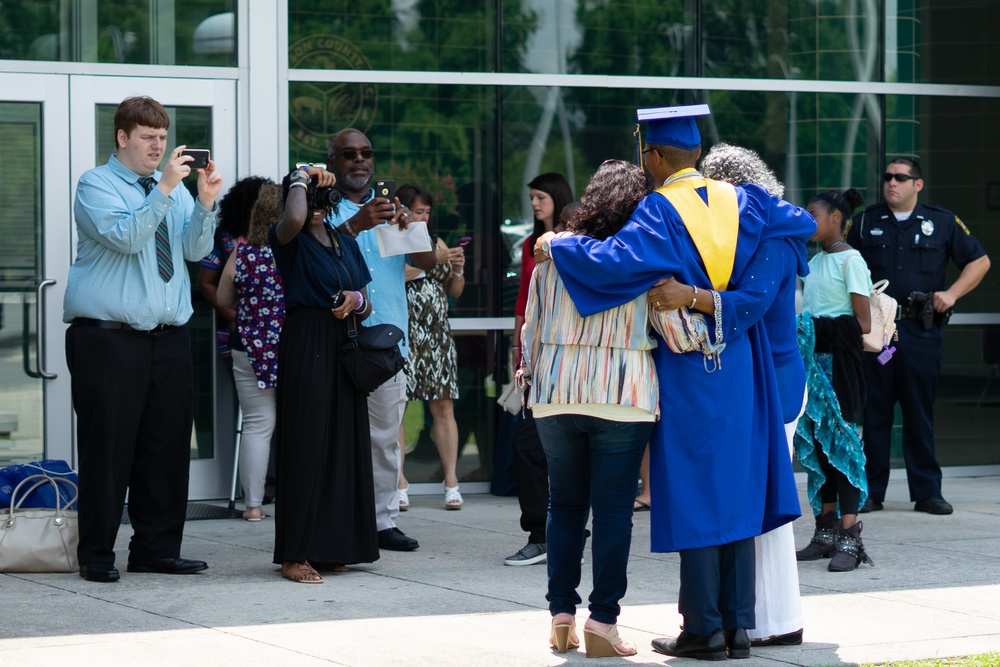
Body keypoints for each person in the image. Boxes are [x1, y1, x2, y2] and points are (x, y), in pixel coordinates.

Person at [535, 104, 813, 660]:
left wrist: (558, 243)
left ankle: (703, 628)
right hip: (740, 362)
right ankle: (737, 628)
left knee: (693, 493)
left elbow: (613, 262)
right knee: (735, 490)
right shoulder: (747, 200)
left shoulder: (660, 210)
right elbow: (803, 221)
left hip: (689, 363)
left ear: (656, 156)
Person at [64, 95, 222, 582]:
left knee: (166, 449)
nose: (159, 146)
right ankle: (95, 554)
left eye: (163, 137)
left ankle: (156, 549)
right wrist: (166, 191)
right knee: (108, 450)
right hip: (109, 340)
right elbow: (129, 237)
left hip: (169, 337)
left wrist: (205, 204)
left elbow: (196, 250)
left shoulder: (169, 188)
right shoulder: (96, 184)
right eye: (148, 138)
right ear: (122, 138)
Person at [521, 160, 658, 657]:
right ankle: (603, 621)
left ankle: (560, 615)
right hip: (624, 396)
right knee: (614, 512)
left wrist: (531, 372)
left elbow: (530, 328)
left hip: (557, 393)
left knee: (564, 506)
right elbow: (670, 331)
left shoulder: (551, 257)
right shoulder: (645, 260)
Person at [699, 142, 807, 645]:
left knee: (769, 506)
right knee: (760, 502)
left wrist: (694, 298)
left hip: (776, 380)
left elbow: (755, 302)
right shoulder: (772, 229)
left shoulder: (771, 235)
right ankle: (755, 619)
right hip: (769, 375)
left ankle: (773, 621)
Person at [847, 158, 990, 516]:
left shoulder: (940, 222)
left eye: (900, 178)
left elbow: (979, 261)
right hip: (877, 333)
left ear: (918, 184)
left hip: (919, 331)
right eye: (887, 177)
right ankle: (870, 491)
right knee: (874, 411)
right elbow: (841, 264)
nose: (891, 183)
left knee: (918, 412)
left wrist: (953, 294)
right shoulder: (865, 221)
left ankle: (927, 492)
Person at [325, 128, 437, 552]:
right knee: (335, 440)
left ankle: (382, 522)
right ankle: (337, 519)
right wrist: (356, 224)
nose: (359, 160)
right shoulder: (324, 210)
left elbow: (426, 263)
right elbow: (321, 254)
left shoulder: (391, 210)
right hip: (334, 342)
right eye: (349, 154)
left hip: (385, 346)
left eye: (366, 153)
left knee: (385, 441)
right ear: (332, 161)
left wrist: (411, 226)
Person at [268, 164, 379, 583]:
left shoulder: (343, 241)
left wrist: (355, 299)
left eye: (320, 194)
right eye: (310, 193)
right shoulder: (288, 237)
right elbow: (295, 217)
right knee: (307, 442)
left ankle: (333, 546)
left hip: (344, 343)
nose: (317, 201)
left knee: (343, 444)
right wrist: (301, 176)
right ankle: (294, 554)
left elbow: (367, 299)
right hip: (306, 340)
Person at [795, 188, 875, 573]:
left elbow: (863, 324)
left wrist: (809, 328)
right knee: (822, 453)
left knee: (843, 451)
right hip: (813, 368)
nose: (807, 220)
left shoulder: (852, 261)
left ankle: (850, 537)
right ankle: (824, 532)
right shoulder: (814, 260)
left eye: (813, 214)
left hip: (840, 369)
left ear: (836, 218)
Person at [505, 172, 574, 567]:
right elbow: (523, 302)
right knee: (532, 446)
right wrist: (518, 353)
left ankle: (550, 534)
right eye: (531, 197)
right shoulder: (532, 244)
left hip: (564, 361)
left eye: (540, 197)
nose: (534, 203)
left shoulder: (577, 245)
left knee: (545, 448)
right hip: (536, 359)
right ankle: (546, 531)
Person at [395, 184, 466, 511]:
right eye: (418, 211)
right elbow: (398, 273)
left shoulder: (436, 242)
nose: (423, 217)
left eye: (426, 212)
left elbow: (454, 290)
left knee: (444, 408)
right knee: (398, 409)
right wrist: (436, 257)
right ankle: (399, 481)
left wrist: (457, 268)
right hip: (404, 333)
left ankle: (451, 481)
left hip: (436, 336)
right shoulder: (394, 239)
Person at [216, 183, 283, 522]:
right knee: (298, 424)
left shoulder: (242, 254)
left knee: (257, 425)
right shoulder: (296, 252)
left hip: (248, 347)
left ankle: (253, 507)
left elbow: (224, 299)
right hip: (290, 347)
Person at [199, 176, 272, 360]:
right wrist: (235, 318)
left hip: (276, 331)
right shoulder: (223, 241)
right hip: (235, 331)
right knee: (244, 386)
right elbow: (206, 282)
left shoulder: (278, 238)